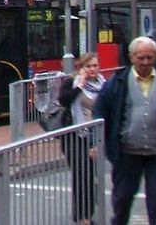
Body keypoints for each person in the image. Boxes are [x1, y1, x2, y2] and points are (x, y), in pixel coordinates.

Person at [94, 35, 156, 225]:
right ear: (131, 57)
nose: (145, 62)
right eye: (141, 58)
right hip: (126, 152)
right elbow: (100, 113)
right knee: (122, 198)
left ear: (155, 56)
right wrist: (96, 142)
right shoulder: (116, 83)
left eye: (150, 57)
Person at [57, 52, 104, 225]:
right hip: (75, 136)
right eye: (89, 66)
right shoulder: (72, 82)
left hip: (96, 137)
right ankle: (82, 217)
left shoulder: (103, 84)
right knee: (81, 176)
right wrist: (80, 86)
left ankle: (88, 214)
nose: (92, 69)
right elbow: (63, 101)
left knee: (91, 177)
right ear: (81, 68)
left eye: (95, 66)